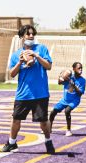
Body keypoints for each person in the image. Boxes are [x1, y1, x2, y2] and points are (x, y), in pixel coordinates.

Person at [3, 24, 54, 154]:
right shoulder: (16, 54)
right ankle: (12, 143)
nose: (31, 36)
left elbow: (48, 66)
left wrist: (36, 56)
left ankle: (48, 141)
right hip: (23, 93)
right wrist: (20, 62)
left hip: (40, 92)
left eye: (32, 34)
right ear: (22, 36)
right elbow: (12, 74)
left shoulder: (41, 49)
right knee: (16, 119)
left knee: (43, 121)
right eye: (28, 34)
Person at [50, 62, 86, 136]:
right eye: (79, 68)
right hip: (65, 100)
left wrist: (74, 86)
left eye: (81, 68)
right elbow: (59, 83)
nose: (81, 69)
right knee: (53, 112)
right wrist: (61, 77)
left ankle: (68, 130)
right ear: (74, 69)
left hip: (74, 100)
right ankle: (49, 128)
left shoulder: (83, 80)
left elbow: (80, 93)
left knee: (67, 110)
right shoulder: (69, 76)